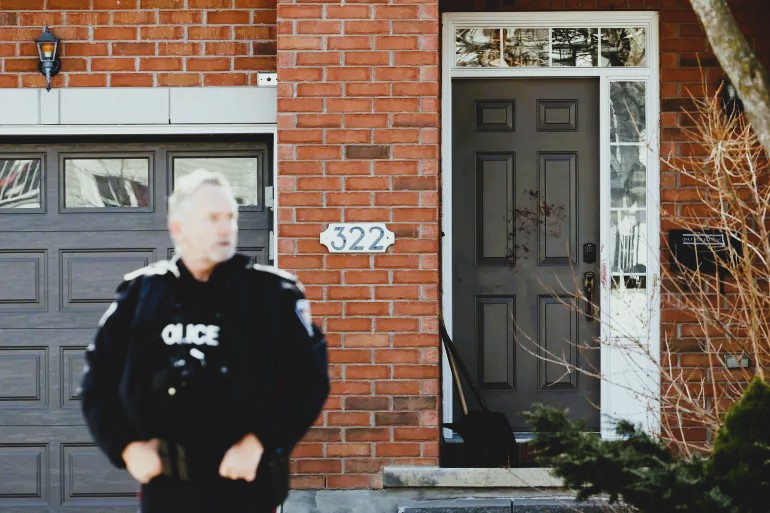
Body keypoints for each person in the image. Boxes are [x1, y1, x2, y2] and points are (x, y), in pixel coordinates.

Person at [80, 169, 329, 513]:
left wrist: (261, 443)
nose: (226, 227)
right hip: (168, 487)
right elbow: (97, 380)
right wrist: (125, 446)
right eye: (212, 218)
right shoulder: (142, 294)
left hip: (246, 486)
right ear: (178, 228)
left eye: (230, 217)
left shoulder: (272, 294)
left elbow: (310, 380)